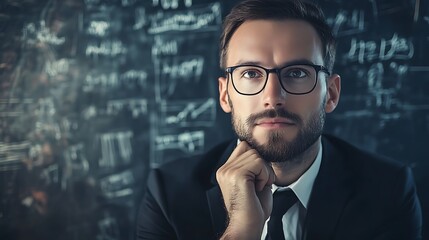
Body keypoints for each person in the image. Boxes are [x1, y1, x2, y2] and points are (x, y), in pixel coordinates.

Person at [136, 0, 423, 239]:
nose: (273, 96)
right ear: (225, 95)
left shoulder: (389, 193)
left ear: (331, 94)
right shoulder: (168, 195)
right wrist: (240, 230)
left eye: (297, 72)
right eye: (250, 73)